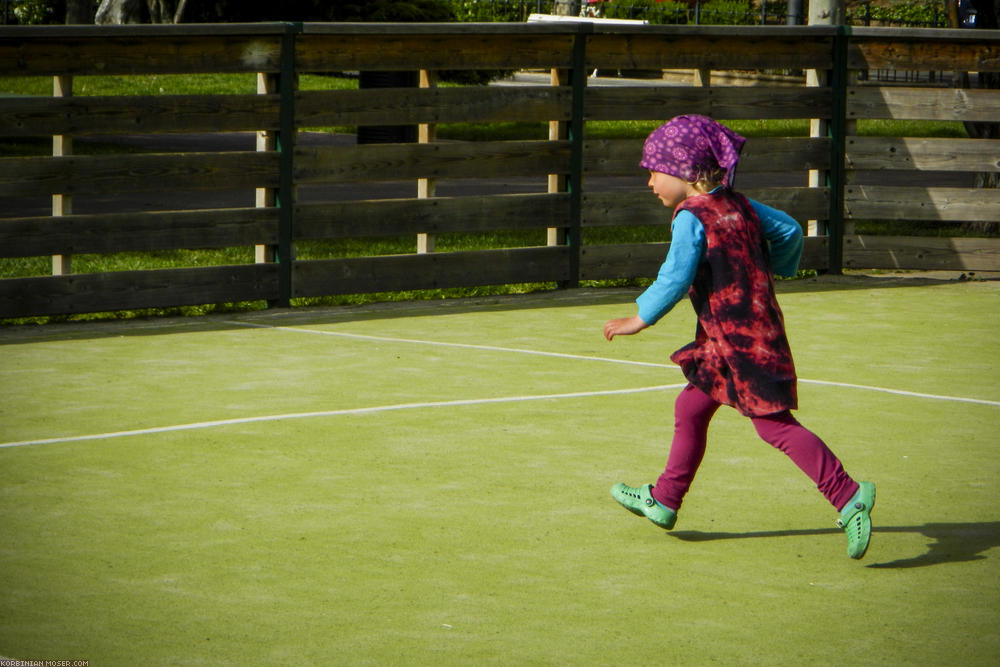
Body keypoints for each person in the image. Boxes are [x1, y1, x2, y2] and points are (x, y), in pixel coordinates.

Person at [603, 115, 875, 559]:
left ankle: (848, 496)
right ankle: (666, 499)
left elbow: (674, 277)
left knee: (775, 428)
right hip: (735, 338)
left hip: (740, 344)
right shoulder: (741, 205)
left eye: (654, 171)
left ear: (686, 173)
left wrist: (639, 319)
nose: (649, 180)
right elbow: (788, 230)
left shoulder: (690, 218)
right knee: (690, 406)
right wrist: (775, 271)